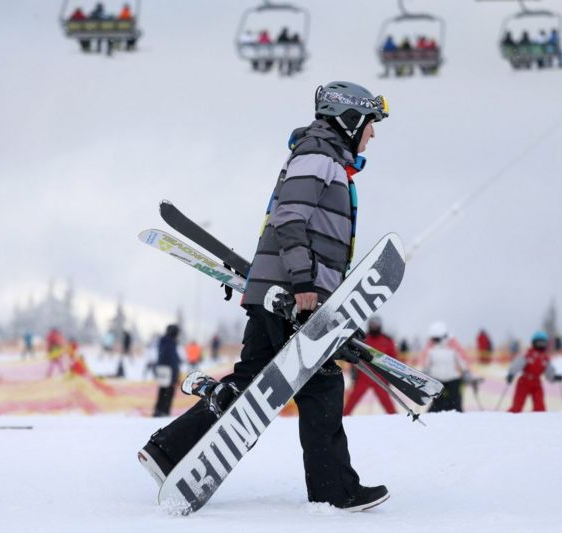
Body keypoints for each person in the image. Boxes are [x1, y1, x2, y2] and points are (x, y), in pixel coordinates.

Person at [139, 81, 391, 511]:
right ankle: (336, 490)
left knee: (257, 382)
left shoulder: (324, 159)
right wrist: (306, 284)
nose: (373, 134)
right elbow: (290, 218)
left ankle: (168, 451)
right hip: (292, 294)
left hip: (284, 290)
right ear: (350, 119)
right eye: (370, 124)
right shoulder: (318, 157)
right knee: (318, 385)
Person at [343, 317, 397, 416]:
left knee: (387, 403)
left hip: (380, 378)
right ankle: (343, 418)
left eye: (376, 324)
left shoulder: (387, 340)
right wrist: (353, 372)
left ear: (380, 326)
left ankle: (396, 419)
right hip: (363, 376)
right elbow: (354, 355)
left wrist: (391, 377)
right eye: (372, 324)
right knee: (352, 400)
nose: (374, 326)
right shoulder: (363, 339)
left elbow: (393, 359)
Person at [420, 322, 472, 412]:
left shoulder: (453, 344)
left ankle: (458, 420)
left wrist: (466, 371)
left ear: (442, 336)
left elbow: (462, 359)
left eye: (436, 339)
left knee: (455, 402)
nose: (434, 340)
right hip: (437, 380)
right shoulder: (430, 346)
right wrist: (425, 371)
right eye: (433, 338)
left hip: (453, 378)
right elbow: (426, 361)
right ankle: (434, 421)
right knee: (437, 404)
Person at [506, 331, 562, 413]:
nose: (540, 345)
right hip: (524, 382)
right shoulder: (528, 355)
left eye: (543, 343)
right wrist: (511, 374)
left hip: (536, 383)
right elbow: (517, 365)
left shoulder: (545, 358)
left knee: (540, 407)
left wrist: (554, 377)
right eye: (538, 343)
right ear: (534, 343)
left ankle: (538, 423)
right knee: (517, 406)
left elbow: (549, 371)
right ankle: (507, 420)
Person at [153, 324, 181, 417]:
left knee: (163, 390)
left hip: (163, 369)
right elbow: (171, 359)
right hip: (169, 370)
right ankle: (163, 411)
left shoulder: (164, 341)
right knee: (168, 390)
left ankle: (159, 410)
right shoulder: (170, 342)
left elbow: (165, 356)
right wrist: (175, 375)